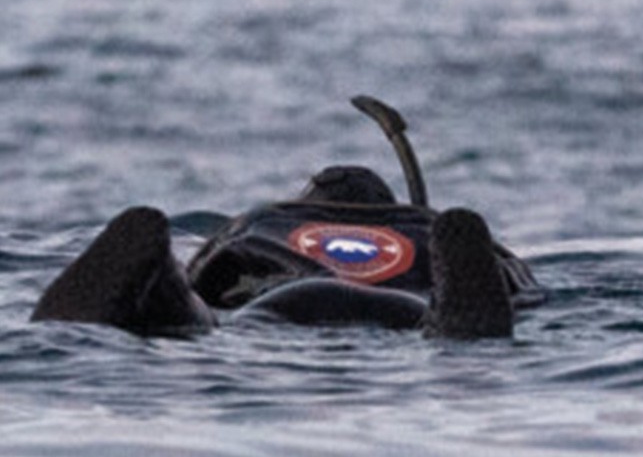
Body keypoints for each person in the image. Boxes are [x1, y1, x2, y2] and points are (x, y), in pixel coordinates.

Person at [31, 96, 537, 339]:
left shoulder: (265, 223)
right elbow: (521, 286)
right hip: (406, 309)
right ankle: (459, 333)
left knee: (192, 321)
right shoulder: (424, 230)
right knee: (450, 334)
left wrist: (182, 285)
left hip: (270, 306)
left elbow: (205, 268)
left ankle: (161, 287)